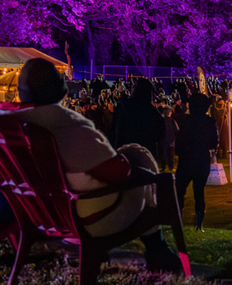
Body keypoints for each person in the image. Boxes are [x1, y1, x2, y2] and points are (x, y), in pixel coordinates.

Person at [1, 58, 181, 271]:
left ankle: (157, 248)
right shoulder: (69, 127)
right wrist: (138, 167)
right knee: (139, 157)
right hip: (91, 218)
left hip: (36, 213)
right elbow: (117, 172)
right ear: (60, 89)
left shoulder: (9, 127)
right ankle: (157, 247)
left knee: (135, 159)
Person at [175, 93, 219, 231]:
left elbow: (179, 142)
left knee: (179, 190)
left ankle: (179, 219)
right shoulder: (209, 122)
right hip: (201, 159)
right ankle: (199, 225)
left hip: (186, 159)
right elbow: (213, 143)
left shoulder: (185, 121)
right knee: (199, 192)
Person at [113, 78, 166, 160]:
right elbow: (161, 133)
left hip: (124, 154)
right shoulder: (151, 111)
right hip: (145, 155)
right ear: (148, 93)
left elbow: (112, 131)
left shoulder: (122, 106)